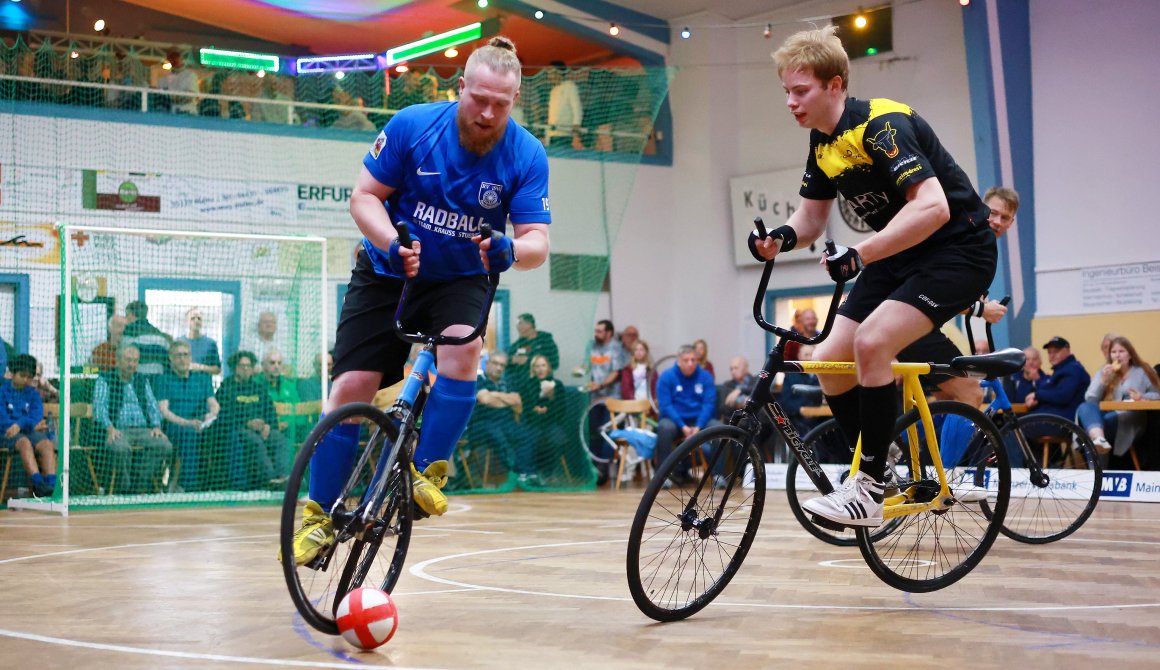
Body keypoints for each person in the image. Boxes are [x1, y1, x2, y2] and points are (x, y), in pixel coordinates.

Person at [287, 37, 551, 566]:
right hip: (390, 270)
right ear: (460, 88)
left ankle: (427, 471)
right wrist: (391, 243)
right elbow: (363, 196)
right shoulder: (413, 125)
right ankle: (317, 515)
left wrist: (510, 249)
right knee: (351, 389)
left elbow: (537, 244)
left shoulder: (526, 153)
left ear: (515, 100)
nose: (487, 112)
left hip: (461, 276)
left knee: (463, 351)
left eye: (501, 104)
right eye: (479, 98)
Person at [753, 26, 998, 527]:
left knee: (872, 342)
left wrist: (861, 253)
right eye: (786, 92)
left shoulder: (883, 125)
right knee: (827, 360)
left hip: (959, 251)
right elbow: (812, 221)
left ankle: (867, 488)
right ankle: (880, 461)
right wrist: (779, 238)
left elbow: (932, 208)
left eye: (801, 91)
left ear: (835, 85)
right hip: (901, 256)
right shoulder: (823, 145)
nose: (790, 102)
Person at [93, 345, 174, 494]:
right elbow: (99, 407)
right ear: (117, 361)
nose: (132, 364)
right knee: (120, 448)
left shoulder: (142, 380)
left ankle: (140, 481)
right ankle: (124, 487)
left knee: (165, 445)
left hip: (143, 430)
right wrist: (109, 427)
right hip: (118, 430)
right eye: (128, 360)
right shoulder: (104, 379)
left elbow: (152, 405)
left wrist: (156, 426)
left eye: (135, 361)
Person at [214, 350, 289, 490]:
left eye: (249, 366)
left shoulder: (258, 388)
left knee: (279, 438)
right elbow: (223, 416)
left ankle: (284, 477)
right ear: (235, 368)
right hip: (239, 430)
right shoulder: (226, 388)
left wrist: (268, 425)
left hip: (262, 429)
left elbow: (270, 411)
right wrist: (247, 424)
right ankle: (270, 479)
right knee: (255, 440)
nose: (246, 369)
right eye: (242, 366)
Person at [1077, 336, 1160, 457]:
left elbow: (1157, 395)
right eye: (1113, 352)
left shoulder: (1142, 371)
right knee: (1084, 407)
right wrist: (1103, 382)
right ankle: (1099, 439)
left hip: (1131, 419)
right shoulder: (1103, 371)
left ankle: (1097, 462)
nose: (1117, 355)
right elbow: (1090, 399)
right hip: (1105, 418)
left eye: (1121, 351)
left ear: (1130, 354)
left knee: (1091, 430)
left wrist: (1141, 396)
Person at [155, 341, 218, 492]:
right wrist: (187, 423)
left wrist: (211, 415)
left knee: (227, 431)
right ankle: (187, 487)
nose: (183, 359)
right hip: (176, 427)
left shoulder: (202, 378)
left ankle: (229, 484)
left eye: (186, 355)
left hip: (202, 423)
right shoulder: (163, 379)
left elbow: (214, 404)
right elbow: (164, 411)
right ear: (171, 358)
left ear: (191, 357)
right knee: (189, 435)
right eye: (178, 356)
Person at [653, 345, 721, 483]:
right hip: (675, 421)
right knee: (664, 428)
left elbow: (708, 404)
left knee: (718, 428)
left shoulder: (705, 377)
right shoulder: (666, 377)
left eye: (693, 360)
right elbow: (666, 406)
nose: (690, 363)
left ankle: (718, 475)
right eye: (686, 360)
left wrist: (698, 426)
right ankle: (663, 477)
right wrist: (682, 426)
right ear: (679, 361)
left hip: (699, 420)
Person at [0, 354, 56, 498]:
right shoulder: (2, 392)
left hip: (28, 431)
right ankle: (38, 483)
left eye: (29, 377)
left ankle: (52, 485)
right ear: (12, 373)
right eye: (22, 375)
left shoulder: (33, 394)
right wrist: (14, 426)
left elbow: (36, 415)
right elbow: (3, 418)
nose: (26, 380)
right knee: (24, 442)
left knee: (46, 444)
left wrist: (20, 424)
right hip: (6, 433)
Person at [467, 352, 530, 477]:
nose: (499, 368)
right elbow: (485, 400)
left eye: (502, 365)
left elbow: (517, 401)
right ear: (487, 363)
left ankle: (525, 473)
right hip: (481, 425)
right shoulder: (477, 380)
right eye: (495, 363)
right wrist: (506, 400)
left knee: (525, 435)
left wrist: (495, 394)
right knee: (497, 434)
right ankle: (513, 472)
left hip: (506, 422)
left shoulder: (507, 382)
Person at [584, 319, 627, 481]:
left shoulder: (615, 347)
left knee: (608, 432)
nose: (596, 334)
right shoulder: (592, 346)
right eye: (595, 331)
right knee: (593, 432)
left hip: (611, 398)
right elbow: (587, 367)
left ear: (609, 333)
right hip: (594, 399)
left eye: (600, 331)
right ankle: (593, 467)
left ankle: (603, 468)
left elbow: (616, 372)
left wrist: (600, 385)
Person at [516, 354, 567, 484]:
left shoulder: (558, 385)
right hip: (533, 423)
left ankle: (549, 474)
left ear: (548, 368)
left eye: (543, 365)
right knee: (529, 438)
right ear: (533, 369)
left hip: (552, 423)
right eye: (537, 366)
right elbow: (525, 408)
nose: (540, 369)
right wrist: (535, 410)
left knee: (556, 438)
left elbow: (562, 410)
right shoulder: (527, 385)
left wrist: (550, 402)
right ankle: (530, 473)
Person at [1025, 337, 1090, 421]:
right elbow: (1051, 391)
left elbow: (1063, 396)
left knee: (1017, 429)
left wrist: (1037, 395)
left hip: (1065, 420)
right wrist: (1037, 397)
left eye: (1056, 351)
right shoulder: (1062, 369)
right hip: (1057, 417)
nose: (1052, 355)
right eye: (1049, 352)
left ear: (1067, 351)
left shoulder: (1072, 369)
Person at [260, 348, 306, 443]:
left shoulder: (289, 386)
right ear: (263, 365)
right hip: (269, 430)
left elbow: (299, 410)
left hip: (291, 428)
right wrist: (276, 424)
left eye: (279, 363)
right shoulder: (256, 386)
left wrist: (289, 422)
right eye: (272, 363)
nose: (276, 366)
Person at [122, 300, 172, 386]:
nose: (125, 319)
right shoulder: (160, 336)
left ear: (131, 314)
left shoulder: (127, 335)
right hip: (159, 380)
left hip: (136, 380)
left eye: (126, 315)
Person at [505, 312, 559, 383]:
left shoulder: (546, 341)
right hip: (522, 385)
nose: (518, 327)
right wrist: (512, 360)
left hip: (543, 383)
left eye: (520, 323)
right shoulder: (518, 344)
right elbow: (505, 360)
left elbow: (555, 363)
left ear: (529, 325)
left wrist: (528, 360)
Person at [545, 61, 584, 149]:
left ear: (558, 72)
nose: (548, 75)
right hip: (552, 134)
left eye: (551, 72)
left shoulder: (570, 86)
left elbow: (577, 110)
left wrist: (575, 133)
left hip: (565, 134)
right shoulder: (553, 91)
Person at [178, 307, 222, 377]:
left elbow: (217, 369)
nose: (196, 321)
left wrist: (200, 367)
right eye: (192, 318)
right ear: (187, 322)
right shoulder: (178, 342)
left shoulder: (210, 343)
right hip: (183, 385)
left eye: (199, 318)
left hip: (204, 386)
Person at [157, 49, 199, 115]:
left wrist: (174, 98)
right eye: (171, 58)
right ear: (168, 60)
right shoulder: (164, 79)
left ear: (181, 58)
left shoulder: (190, 75)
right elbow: (161, 97)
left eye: (176, 57)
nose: (174, 60)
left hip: (188, 112)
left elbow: (191, 95)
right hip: (171, 114)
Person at [619, 339, 657, 405]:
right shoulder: (627, 370)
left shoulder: (651, 370)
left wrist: (653, 402)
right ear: (633, 352)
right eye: (636, 350)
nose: (639, 352)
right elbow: (626, 390)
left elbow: (655, 388)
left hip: (649, 405)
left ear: (646, 351)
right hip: (633, 405)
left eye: (641, 350)